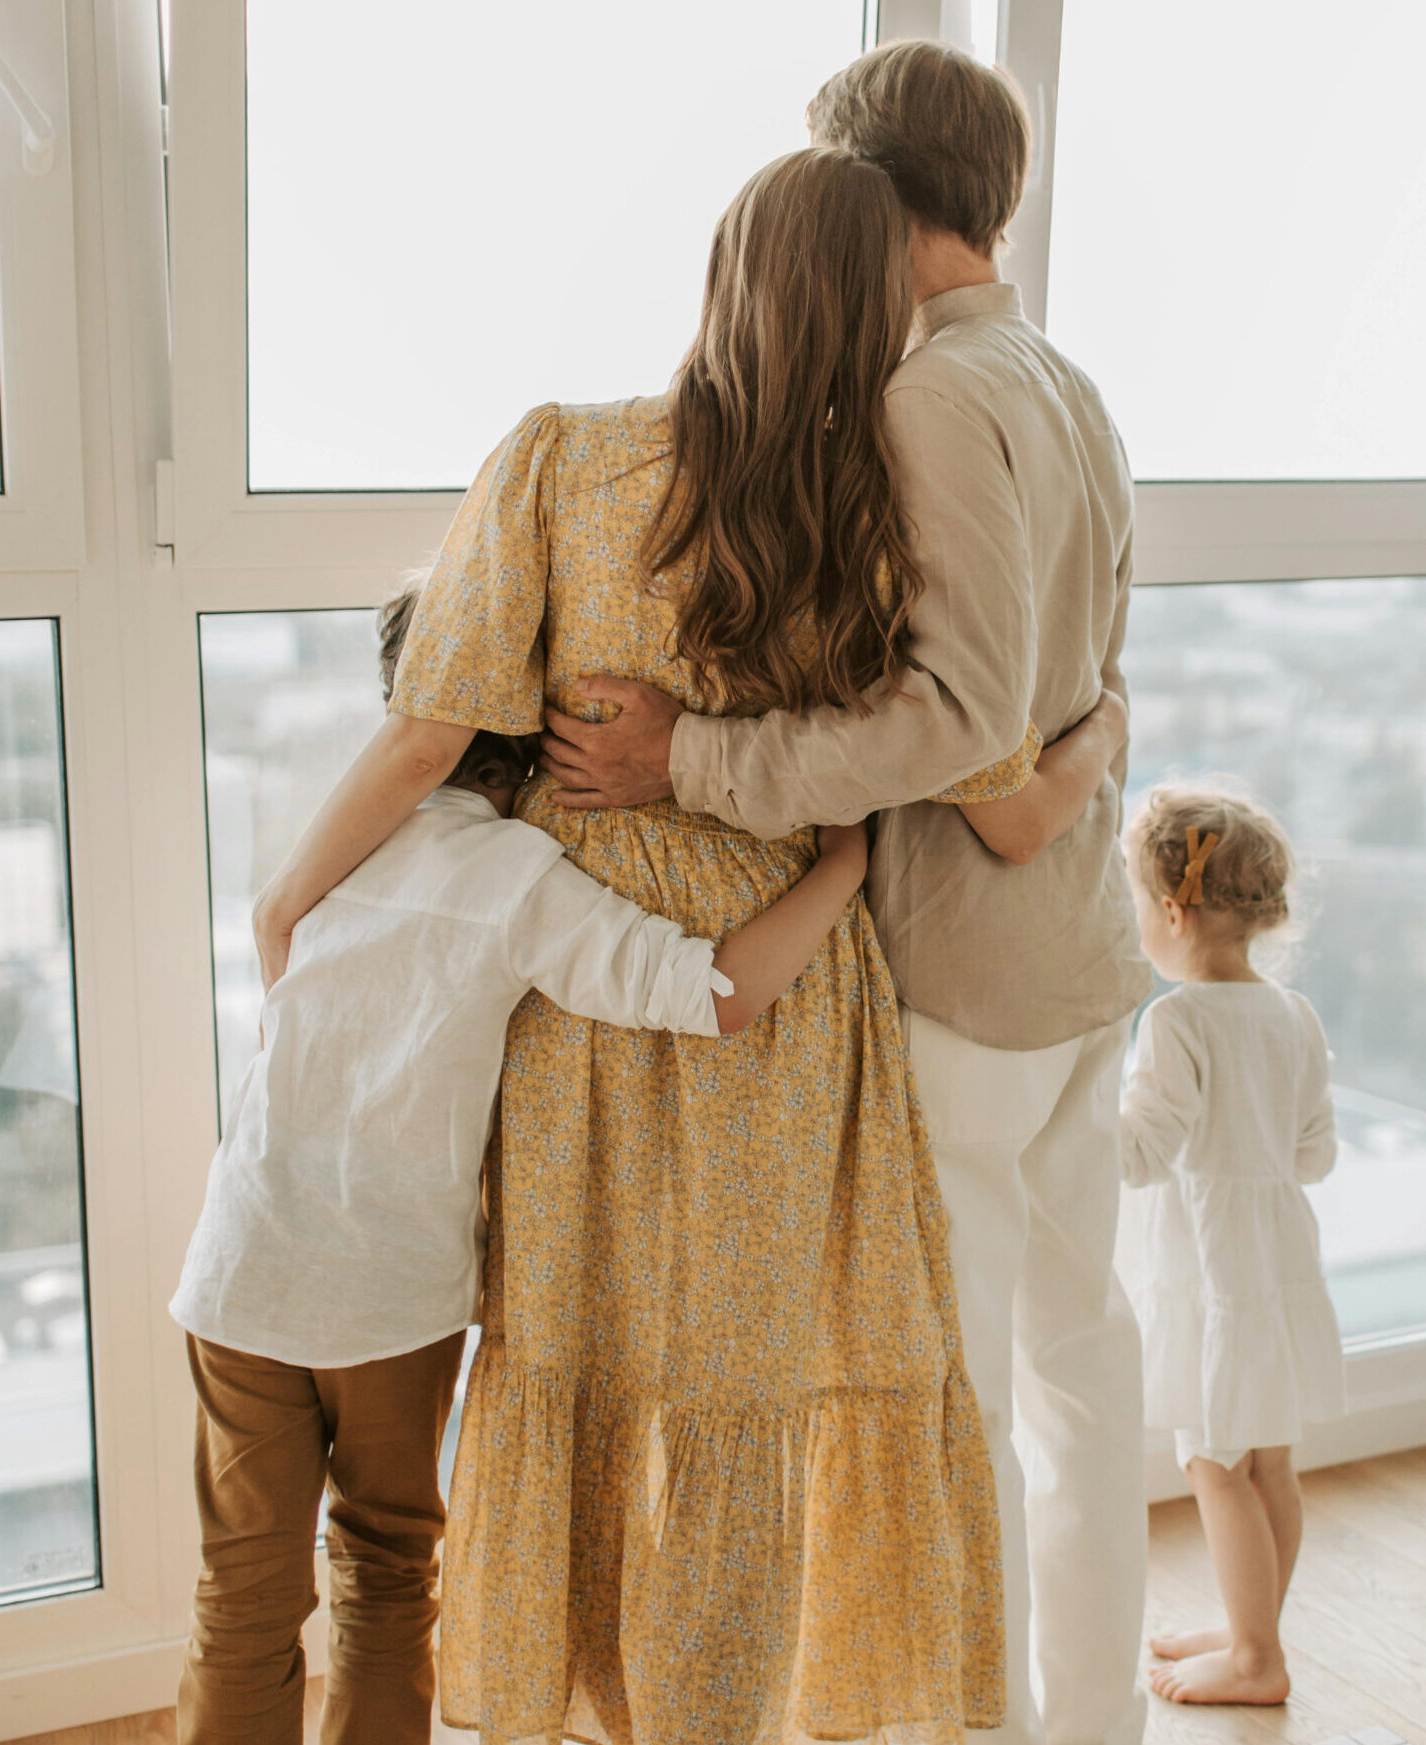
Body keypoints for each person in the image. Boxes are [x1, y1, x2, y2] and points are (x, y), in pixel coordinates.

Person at [249, 145, 1138, 1744]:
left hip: (585, 996)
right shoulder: (868, 515)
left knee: (577, 1366)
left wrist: (287, 897)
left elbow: (426, 728)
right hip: (788, 998)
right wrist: (1103, 736)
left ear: (717, 273)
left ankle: (589, 1711)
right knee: (741, 1399)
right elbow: (995, 781)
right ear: (878, 307)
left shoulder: (560, 456)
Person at [541, 41, 1151, 1745]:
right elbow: (1086, 674)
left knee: (953, 1407)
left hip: (963, 980)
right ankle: (1092, 1723)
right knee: (1082, 1374)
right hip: (1076, 955)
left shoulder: (930, 397)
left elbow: (955, 712)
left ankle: (983, 1729)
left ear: (874, 196)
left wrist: (691, 760)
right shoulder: (1063, 379)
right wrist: (1079, 768)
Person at [170, 588, 872, 1745]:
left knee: (240, 1594)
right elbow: (716, 992)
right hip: (386, 1290)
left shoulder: (335, 838)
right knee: (384, 1569)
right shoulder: (514, 876)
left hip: (243, 1259)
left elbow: (282, 949)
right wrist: (843, 859)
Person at [1118, 786, 1346, 1708]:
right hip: (1278, 1267)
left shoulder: (1176, 1021)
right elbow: (1314, 1155)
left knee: (1214, 1464)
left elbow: (1140, 1156)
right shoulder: (1294, 1014)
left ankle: (1255, 1659)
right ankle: (1255, 1628)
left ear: (1172, 912)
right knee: (1267, 1464)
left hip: (1214, 1276)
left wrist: (1081, 1103)